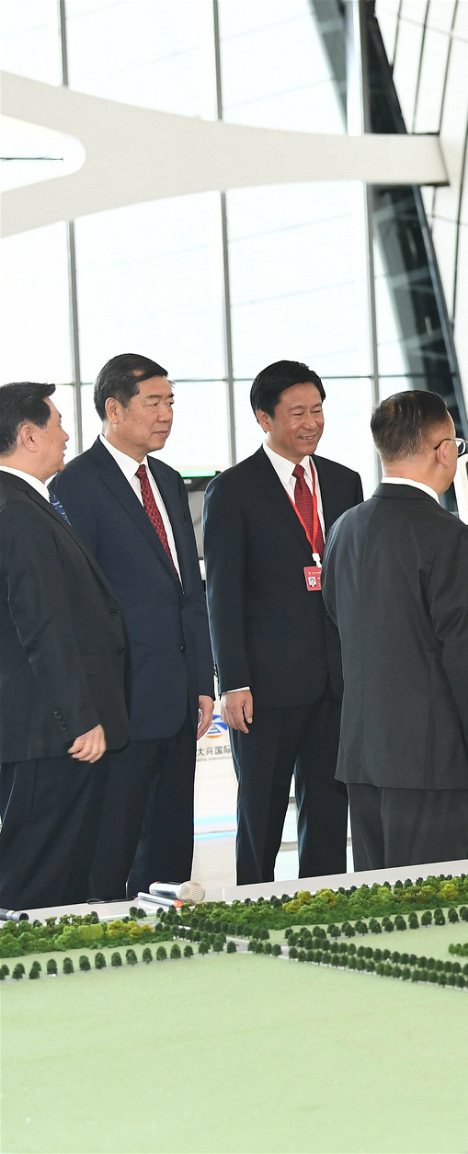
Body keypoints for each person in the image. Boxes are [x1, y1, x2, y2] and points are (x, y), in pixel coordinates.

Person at [321, 391, 468, 870]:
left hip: (364, 754)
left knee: (379, 901)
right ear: (444, 450)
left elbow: (334, 614)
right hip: (431, 759)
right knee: (429, 906)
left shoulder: (345, 527)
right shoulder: (447, 534)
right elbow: (464, 649)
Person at [51, 355, 212, 899]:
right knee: (113, 844)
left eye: (170, 403)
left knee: (170, 842)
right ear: (113, 408)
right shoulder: (74, 486)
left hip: (177, 697)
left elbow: (190, 590)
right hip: (119, 704)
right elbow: (77, 607)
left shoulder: (167, 479)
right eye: (153, 402)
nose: (166, 414)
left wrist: (202, 679)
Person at [203, 361, 364, 884]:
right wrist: (235, 681)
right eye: (297, 412)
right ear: (263, 418)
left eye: (317, 410)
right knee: (262, 808)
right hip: (266, 686)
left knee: (327, 805)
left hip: (335, 682)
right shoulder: (232, 489)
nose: (311, 422)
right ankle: (252, 901)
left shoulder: (344, 482)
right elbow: (221, 595)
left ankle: (323, 900)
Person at [0, 383, 129, 910]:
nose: (67, 435)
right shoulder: (16, 511)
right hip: (50, 735)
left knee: (63, 872)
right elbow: (42, 625)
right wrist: (79, 717)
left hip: (47, 732)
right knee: (38, 875)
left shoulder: (27, 504)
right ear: (28, 435)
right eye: (56, 424)